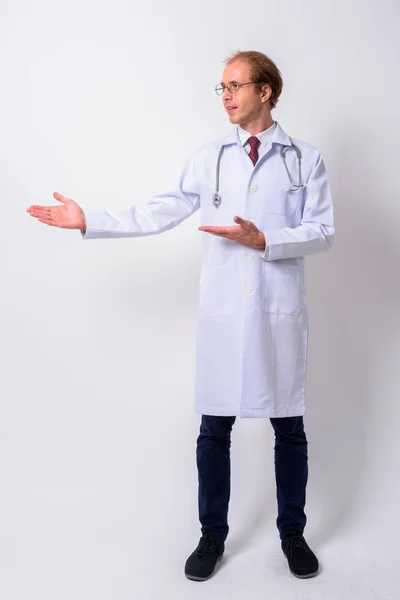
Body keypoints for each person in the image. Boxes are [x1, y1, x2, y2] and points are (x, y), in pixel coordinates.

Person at [27, 50, 334, 581]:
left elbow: (322, 232)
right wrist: (88, 220)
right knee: (214, 429)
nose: (226, 96)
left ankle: (292, 534)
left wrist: (266, 239)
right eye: (221, 87)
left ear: (266, 91)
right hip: (224, 315)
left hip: (276, 312)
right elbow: (158, 210)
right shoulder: (209, 156)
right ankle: (211, 534)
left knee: (290, 429)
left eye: (236, 85)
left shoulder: (304, 159)